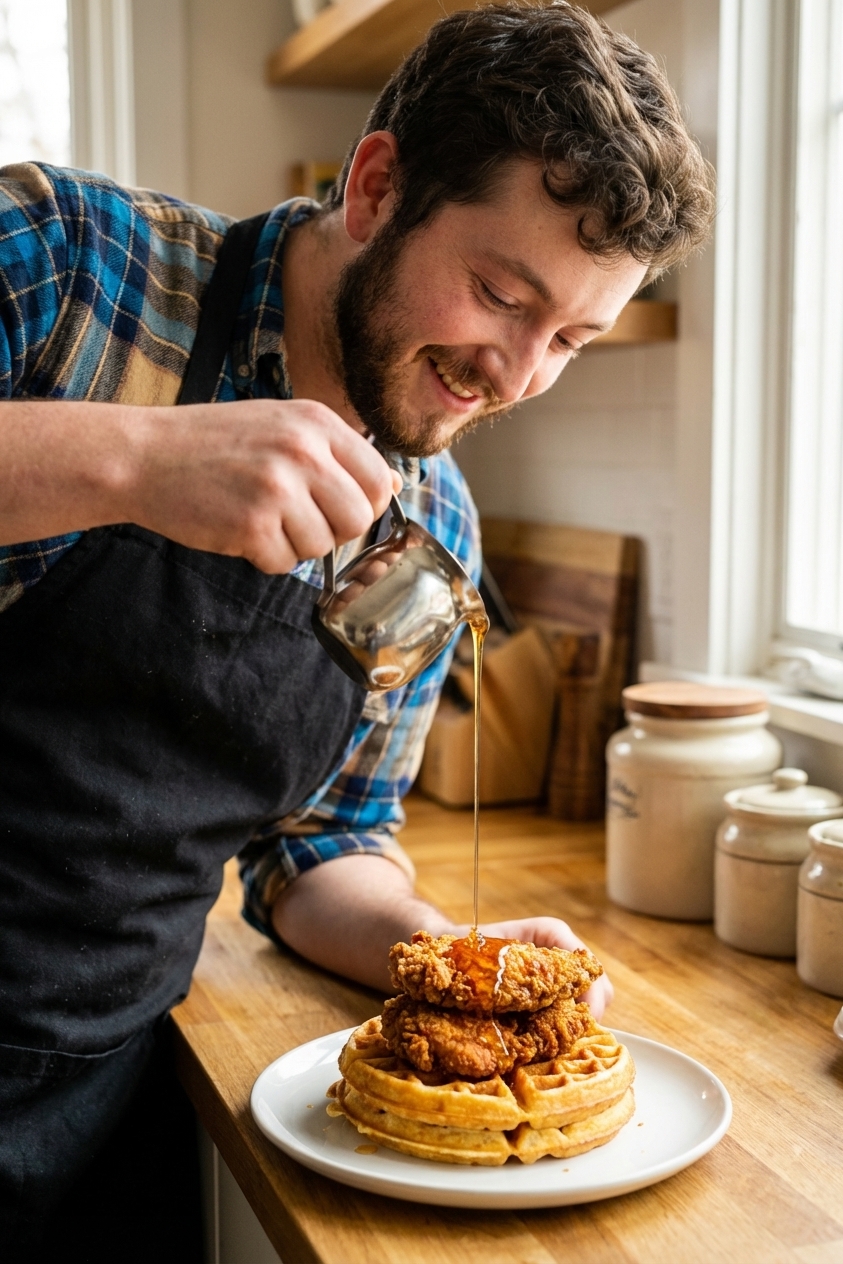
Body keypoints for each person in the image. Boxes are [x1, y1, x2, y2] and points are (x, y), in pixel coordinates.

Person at [0, 3, 714, 1259]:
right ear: (378, 187)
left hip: (101, 1091)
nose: (519, 374)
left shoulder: (431, 534)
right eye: (501, 293)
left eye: (573, 340)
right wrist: (125, 460)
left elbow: (320, 843)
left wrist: (445, 959)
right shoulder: (68, 264)